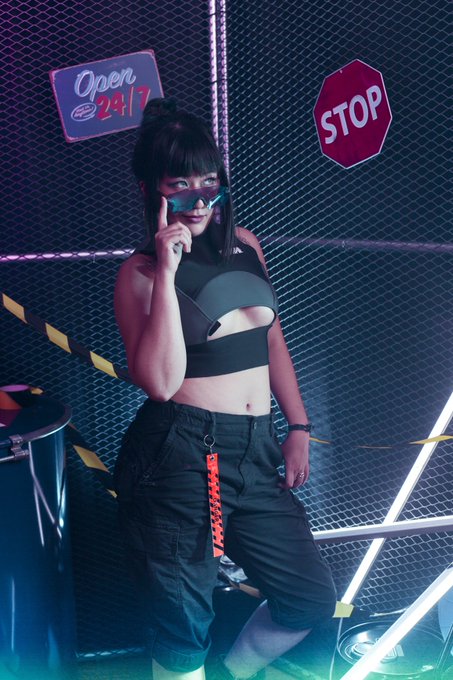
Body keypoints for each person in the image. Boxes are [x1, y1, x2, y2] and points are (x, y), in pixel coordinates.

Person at [113, 98, 337, 680]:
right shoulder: (140, 273)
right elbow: (160, 383)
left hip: (255, 451)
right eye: (180, 185)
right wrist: (168, 271)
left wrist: (298, 426)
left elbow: (272, 341)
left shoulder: (246, 243)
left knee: (308, 596)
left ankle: (230, 674)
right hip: (188, 458)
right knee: (183, 624)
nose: (199, 199)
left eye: (209, 181)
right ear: (151, 190)